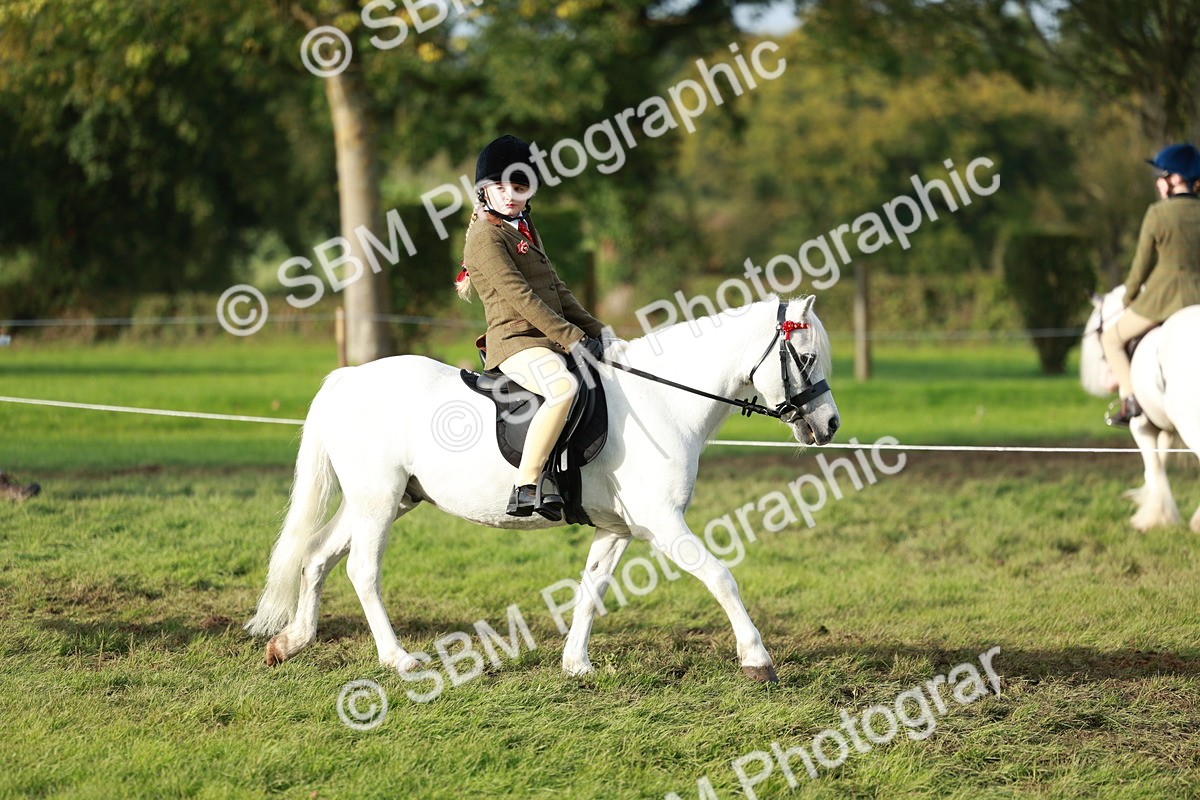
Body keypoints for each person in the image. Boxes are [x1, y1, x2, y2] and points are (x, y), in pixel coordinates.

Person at [456, 135, 609, 519]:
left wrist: (597, 331)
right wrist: (573, 339)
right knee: (563, 388)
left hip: (546, 341)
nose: (511, 195)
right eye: (501, 187)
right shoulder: (485, 237)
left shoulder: (522, 226)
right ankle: (526, 484)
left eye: (520, 187)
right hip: (515, 343)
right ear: (484, 191)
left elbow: (555, 287)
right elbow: (520, 297)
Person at [1102, 142, 1200, 426]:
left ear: (1177, 179)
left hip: (1163, 299)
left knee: (1111, 338)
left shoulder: (1157, 214)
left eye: (1162, 175)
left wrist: (1128, 297)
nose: (1158, 182)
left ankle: (1130, 399)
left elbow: (1140, 268)